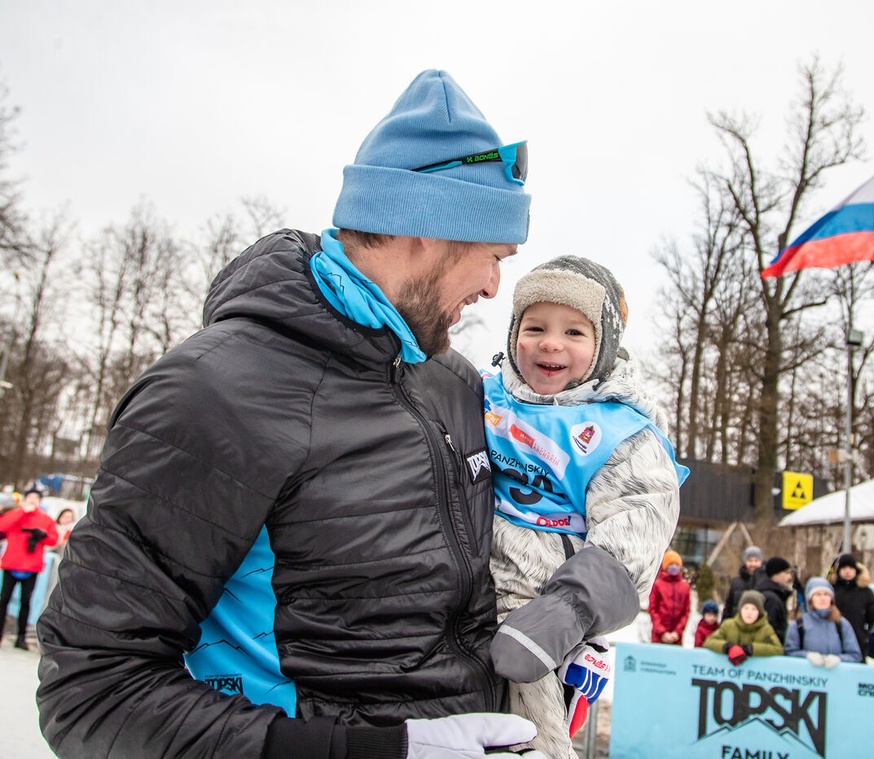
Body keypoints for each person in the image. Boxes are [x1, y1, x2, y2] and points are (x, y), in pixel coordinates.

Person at [36, 70, 548, 759]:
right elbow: (93, 688)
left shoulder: (453, 381)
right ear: (428, 227)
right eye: (494, 256)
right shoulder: (213, 393)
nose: (493, 287)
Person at [482, 255, 685, 757]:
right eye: (535, 327)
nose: (551, 343)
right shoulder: (482, 397)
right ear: (513, 337)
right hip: (465, 584)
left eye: (575, 332)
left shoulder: (620, 430)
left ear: (603, 347)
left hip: (542, 606)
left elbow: (635, 524)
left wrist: (570, 609)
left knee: (528, 731)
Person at [0, 487, 58, 649]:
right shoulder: (16, 514)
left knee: (26, 602)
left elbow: (53, 539)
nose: (32, 500)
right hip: (12, 563)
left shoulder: (45, 519)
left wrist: (43, 536)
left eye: (36, 498)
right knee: (3, 600)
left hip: (31, 565)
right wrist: (23, 512)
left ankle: (21, 637)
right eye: (30, 497)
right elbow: (2, 526)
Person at [784, 577, 863, 667]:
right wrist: (807, 656)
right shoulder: (798, 625)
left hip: (836, 678)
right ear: (810, 599)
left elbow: (855, 656)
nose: (823, 598)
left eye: (826, 594)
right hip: (808, 678)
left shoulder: (841, 624)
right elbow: (789, 652)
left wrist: (839, 659)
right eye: (818, 594)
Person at [703, 590, 783, 664]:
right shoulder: (728, 625)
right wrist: (728, 647)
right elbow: (709, 642)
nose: (749, 612)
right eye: (746, 608)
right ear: (740, 610)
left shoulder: (766, 629)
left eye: (754, 609)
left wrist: (750, 649)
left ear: (760, 612)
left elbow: (778, 649)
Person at [831, 552, 874, 659]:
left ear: (856, 571)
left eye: (851, 568)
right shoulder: (831, 590)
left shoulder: (865, 592)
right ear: (838, 571)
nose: (847, 571)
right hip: (833, 640)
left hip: (858, 642)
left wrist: (865, 637)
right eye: (844, 568)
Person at [649, 549, 691, 645]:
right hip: (658, 637)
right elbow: (653, 609)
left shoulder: (685, 587)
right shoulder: (658, 585)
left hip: (677, 638)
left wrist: (677, 632)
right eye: (671, 564)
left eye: (676, 564)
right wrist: (662, 632)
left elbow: (686, 611)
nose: (674, 567)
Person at [756, 556, 795, 643]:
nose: (790, 577)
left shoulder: (777, 595)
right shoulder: (771, 598)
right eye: (787, 573)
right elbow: (770, 630)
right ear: (775, 575)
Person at [722, 545, 765, 619]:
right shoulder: (736, 582)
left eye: (756, 560)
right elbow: (728, 607)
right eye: (750, 561)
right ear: (745, 562)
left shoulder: (766, 582)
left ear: (761, 562)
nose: (753, 564)